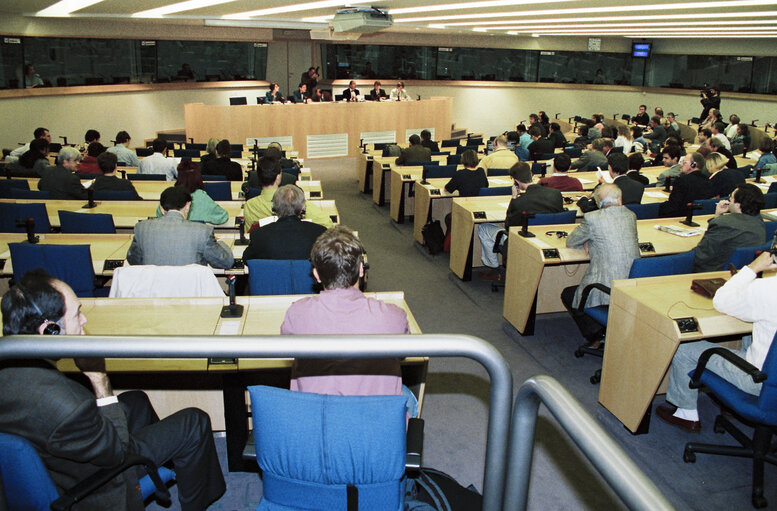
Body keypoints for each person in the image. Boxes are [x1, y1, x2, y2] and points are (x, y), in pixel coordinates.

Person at [0, 271, 226, 510]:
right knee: (194, 421)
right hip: (99, 478)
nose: (84, 320)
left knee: (136, 400)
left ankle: (157, 468)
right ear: (49, 330)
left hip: (57, 461)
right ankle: (199, 503)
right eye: (77, 313)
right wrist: (99, 377)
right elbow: (117, 453)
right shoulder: (68, 406)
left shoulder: (9, 367)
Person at [656, 249, 777, 432]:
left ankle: (686, 414)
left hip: (762, 382)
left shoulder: (767, 289)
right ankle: (729, 408)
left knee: (684, 347)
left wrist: (753, 268)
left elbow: (721, 300)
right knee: (748, 335)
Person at [280, 226, 409, 396]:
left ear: (316, 275)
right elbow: (404, 353)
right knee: (408, 396)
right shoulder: (394, 317)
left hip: (317, 417)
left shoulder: (295, 314)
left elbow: (288, 353)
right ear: (362, 270)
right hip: (375, 419)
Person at [561, 184, 639, 341]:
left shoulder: (592, 218)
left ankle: (597, 335)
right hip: (632, 286)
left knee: (569, 294)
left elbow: (571, 241)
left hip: (608, 287)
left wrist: (588, 240)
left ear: (598, 203)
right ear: (620, 199)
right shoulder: (631, 215)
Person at [477, 162, 564, 280]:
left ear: (516, 181)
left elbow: (509, 227)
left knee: (483, 228)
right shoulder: (556, 194)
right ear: (532, 175)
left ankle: (495, 270)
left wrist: (514, 198)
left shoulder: (519, 202)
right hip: (549, 240)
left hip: (524, 242)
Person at [126, 186, 234, 268]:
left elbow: (134, 260)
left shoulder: (141, 228)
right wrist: (219, 242)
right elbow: (225, 262)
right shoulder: (203, 231)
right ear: (187, 206)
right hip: (191, 293)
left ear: (162, 209)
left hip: (154, 293)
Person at [244, 157, 333, 231]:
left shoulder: (250, 206)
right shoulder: (294, 201)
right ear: (278, 177)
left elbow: (248, 235)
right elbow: (328, 224)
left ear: (258, 176)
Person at [692, 184, 766, 273]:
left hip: (715, 273)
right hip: (746, 271)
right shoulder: (759, 221)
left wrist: (718, 219)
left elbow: (701, 255)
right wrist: (718, 215)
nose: (728, 200)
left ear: (738, 205)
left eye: (730, 197)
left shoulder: (723, 223)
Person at [243, 185, 327, 261]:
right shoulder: (320, 234)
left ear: (274, 207)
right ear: (303, 207)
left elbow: (247, 260)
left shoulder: (259, 235)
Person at [156, 161, 228, 225]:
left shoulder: (169, 195)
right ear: (198, 177)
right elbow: (223, 217)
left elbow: (158, 214)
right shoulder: (202, 197)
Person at [658, 152, 714, 218]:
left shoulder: (681, 181)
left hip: (678, 217)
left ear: (693, 165)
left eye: (684, 162)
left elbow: (673, 206)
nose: (681, 165)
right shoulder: (708, 180)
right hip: (698, 217)